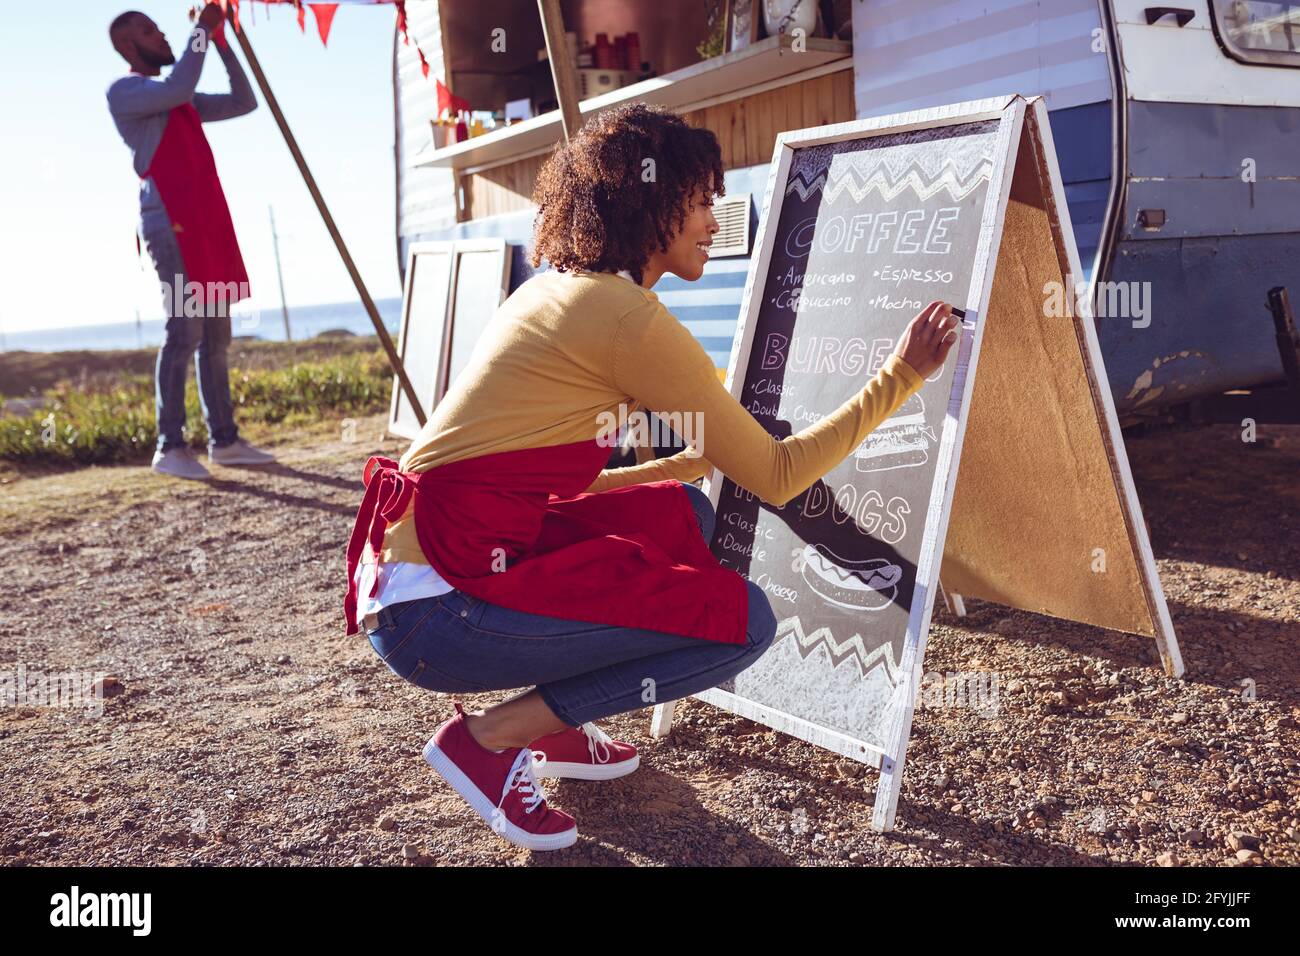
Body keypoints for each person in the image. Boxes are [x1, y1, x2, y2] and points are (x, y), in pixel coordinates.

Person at [344, 104, 959, 852]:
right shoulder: (628, 321)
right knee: (744, 623)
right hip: (435, 617)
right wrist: (903, 376)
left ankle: (555, 723)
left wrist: (689, 462)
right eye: (702, 201)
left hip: (417, 578)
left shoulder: (558, 289)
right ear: (652, 203)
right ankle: (493, 737)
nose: (714, 219)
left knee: (682, 516)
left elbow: (552, 493)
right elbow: (778, 476)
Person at [107, 4, 276, 480]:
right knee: (185, 330)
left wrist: (219, 42)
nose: (160, 36)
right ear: (127, 45)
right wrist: (201, 30)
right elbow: (179, 84)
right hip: (170, 224)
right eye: (149, 32)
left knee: (217, 336)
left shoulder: (181, 102)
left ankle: (224, 440)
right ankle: (170, 445)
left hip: (205, 223)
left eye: (161, 29)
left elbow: (245, 101)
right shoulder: (128, 92)